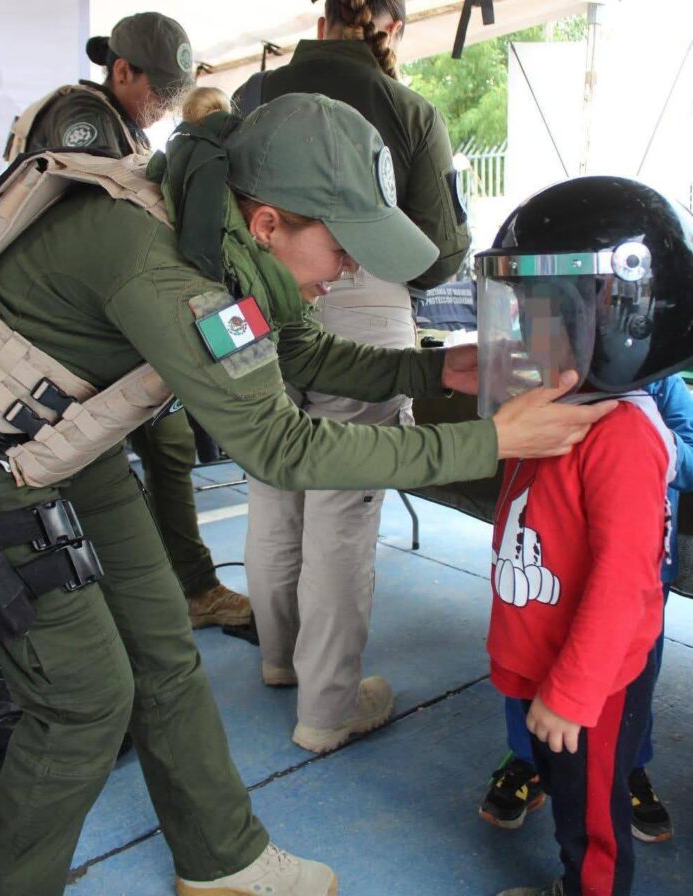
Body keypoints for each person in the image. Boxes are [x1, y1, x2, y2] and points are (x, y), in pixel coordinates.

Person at [0, 93, 614, 896]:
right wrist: (491, 442)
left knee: (163, 648)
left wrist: (434, 370)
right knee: (85, 703)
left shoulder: (217, 240)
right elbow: (281, 446)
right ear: (267, 224)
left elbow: (298, 352)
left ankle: (220, 858)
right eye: (342, 246)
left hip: (62, 449)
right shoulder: (171, 274)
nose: (353, 269)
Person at [236, 0, 472, 753]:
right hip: (369, 300)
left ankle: (280, 659)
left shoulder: (252, 99)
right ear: (391, 27)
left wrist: (430, 367)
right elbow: (439, 250)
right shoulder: (406, 107)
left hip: (260, 297)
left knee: (273, 487)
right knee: (341, 505)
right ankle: (327, 706)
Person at [473, 175, 693, 896]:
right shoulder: (554, 411)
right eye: (521, 311)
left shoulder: (623, 435)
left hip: (587, 689)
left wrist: (572, 693)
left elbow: (627, 586)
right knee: (570, 799)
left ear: (618, 311)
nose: (524, 332)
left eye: (543, 312)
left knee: (591, 823)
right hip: (551, 670)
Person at [4, 11, 251, 629]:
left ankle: (186, 588)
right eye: (161, 92)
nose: (166, 107)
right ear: (122, 70)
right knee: (112, 468)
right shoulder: (80, 126)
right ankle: (162, 595)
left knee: (163, 453)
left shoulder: (118, 128)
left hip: (120, 336)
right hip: (78, 343)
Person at [479, 373, 693, 843]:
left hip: (636, 585)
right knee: (532, 674)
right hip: (551, 578)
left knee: (624, 687)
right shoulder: (551, 383)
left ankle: (628, 768)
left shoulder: (661, 392)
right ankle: (528, 759)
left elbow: (690, 459)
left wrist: (664, 445)